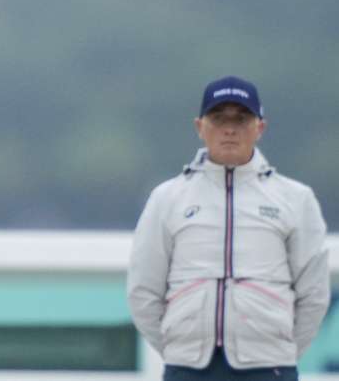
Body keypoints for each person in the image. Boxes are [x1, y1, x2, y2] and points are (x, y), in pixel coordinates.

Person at [127, 76, 330, 380]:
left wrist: (280, 352)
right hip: (189, 368)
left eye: (242, 118)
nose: (230, 128)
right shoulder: (167, 198)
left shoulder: (295, 199)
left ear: (260, 127)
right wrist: (176, 349)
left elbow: (313, 292)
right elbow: (143, 288)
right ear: (200, 126)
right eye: (219, 118)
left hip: (269, 367)